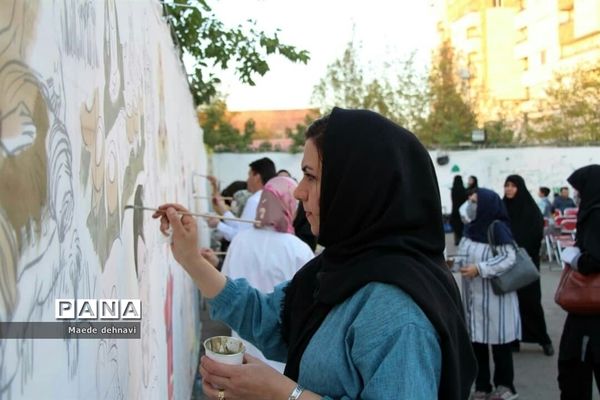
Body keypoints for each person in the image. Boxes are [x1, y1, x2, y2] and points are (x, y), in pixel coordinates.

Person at [153, 108, 477, 400]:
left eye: (311, 176)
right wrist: (191, 259)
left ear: (355, 187)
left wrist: (282, 394)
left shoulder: (398, 312)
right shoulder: (338, 268)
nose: (297, 191)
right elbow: (266, 318)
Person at [219, 176, 314, 372]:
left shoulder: (239, 240)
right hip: (279, 361)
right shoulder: (298, 249)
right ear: (288, 204)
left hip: (239, 349)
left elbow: (224, 286)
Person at [453, 188, 520, 400]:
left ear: (486, 206)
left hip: (495, 299)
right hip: (474, 299)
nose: (470, 205)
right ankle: (482, 385)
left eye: (474, 202)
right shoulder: (470, 229)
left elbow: (509, 258)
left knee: (500, 344)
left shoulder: (497, 228)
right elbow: (463, 255)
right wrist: (452, 264)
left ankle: (505, 386)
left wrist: (480, 269)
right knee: (477, 344)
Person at [557, 164, 600, 400]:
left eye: (579, 190)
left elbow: (595, 259)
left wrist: (575, 259)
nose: (577, 195)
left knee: (575, 374)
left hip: (591, 314)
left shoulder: (595, 215)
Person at [503, 175, 554, 356]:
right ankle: (514, 339)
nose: (509, 189)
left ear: (520, 188)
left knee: (531, 301)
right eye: (507, 185)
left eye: (513, 186)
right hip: (507, 264)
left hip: (526, 263)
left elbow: (535, 233)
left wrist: (519, 247)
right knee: (511, 303)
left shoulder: (531, 210)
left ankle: (543, 339)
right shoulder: (502, 209)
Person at [210, 157, 276, 241]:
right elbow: (243, 226)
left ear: (257, 177)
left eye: (249, 175)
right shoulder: (271, 197)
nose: (247, 180)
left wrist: (218, 225)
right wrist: (223, 210)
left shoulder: (255, 200)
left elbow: (241, 236)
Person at [450, 175, 468, 246]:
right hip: (462, 210)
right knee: (462, 226)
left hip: (455, 210)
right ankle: (463, 240)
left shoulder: (453, 190)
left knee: (456, 226)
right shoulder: (464, 189)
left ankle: (457, 240)